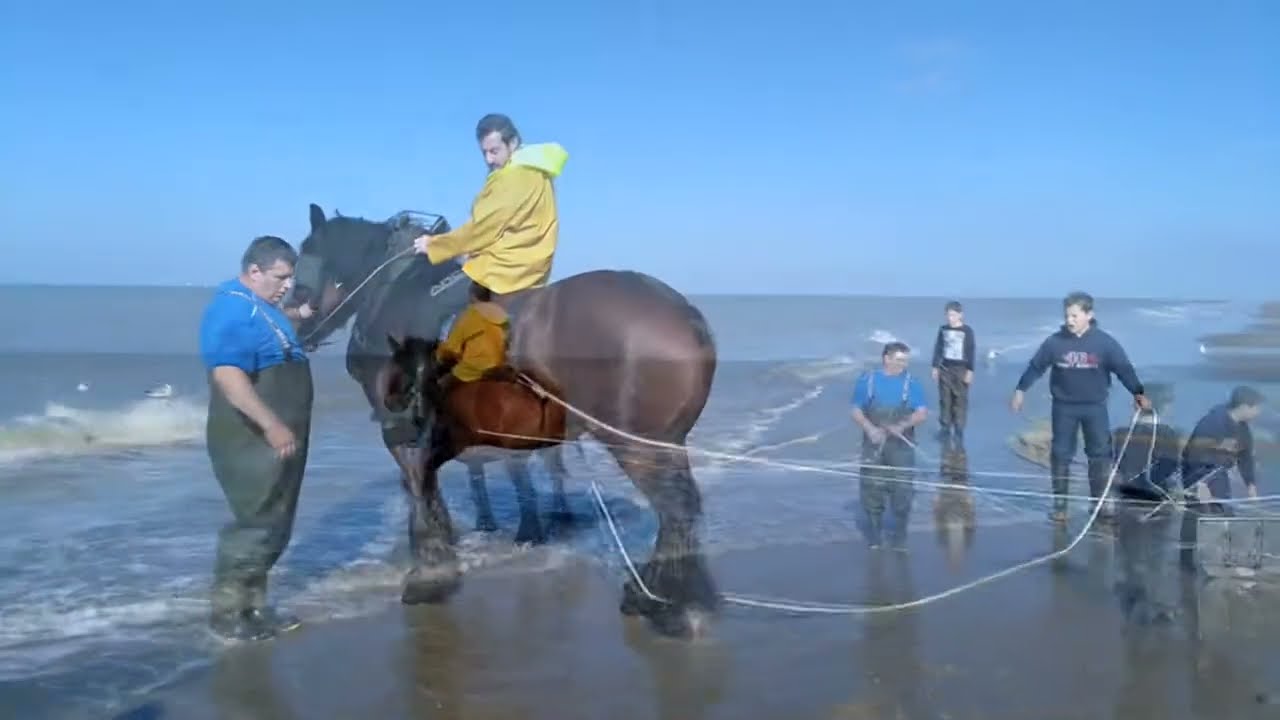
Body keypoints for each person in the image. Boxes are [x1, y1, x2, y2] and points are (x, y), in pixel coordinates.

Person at [198, 235, 313, 642]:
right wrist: (271, 424)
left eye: (290, 277)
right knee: (255, 521)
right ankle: (227, 615)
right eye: (280, 278)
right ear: (253, 272)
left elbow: (273, 334)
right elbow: (228, 375)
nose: (286, 285)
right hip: (250, 437)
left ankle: (255, 608)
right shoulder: (231, 310)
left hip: (280, 436)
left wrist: (299, 313)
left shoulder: (260, 307)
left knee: (276, 521)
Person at [1011, 291, 1150, 523]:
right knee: (1060, 455)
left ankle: (1099, 504)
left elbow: (1123, 369)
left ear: (1089, 315)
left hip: (1095, 407)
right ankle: (1060, 506)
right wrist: (1020, 390)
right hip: (1064, 407)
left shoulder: (1104, 343)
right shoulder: (1055, 342)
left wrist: (1138, 391)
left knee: (1099, 456)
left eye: (1075, 316)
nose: (1069, 320)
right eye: (1067, 315)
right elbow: (1036, 366)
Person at [413, 113, 569, 300]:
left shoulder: (511, 177)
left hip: (503, 270)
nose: (488, 159)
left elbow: (482, 229)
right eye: (484, 152)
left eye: (494, 151)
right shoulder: (538, 170)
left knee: (436, 304)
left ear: (512, 143)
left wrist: (433, 245)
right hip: (536, 269)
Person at [850, 342, 929, 549]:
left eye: (906, 360)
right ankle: (875, 535)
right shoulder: (867, 381)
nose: (904, 364)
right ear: (887, 358)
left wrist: (902, 426)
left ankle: (899, 535)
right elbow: (856, 410)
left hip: (901, 444)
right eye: (900, 360)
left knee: (902, 489)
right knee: (871, 487)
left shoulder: (912, 383)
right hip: (874, 443)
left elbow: (921, 413)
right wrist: (869, 428)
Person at [1110, 381, 1183, 500]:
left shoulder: (1120, 434)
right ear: (1161, 404)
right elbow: (1170, 471)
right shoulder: (1168, 435)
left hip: (1124, 499)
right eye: (1169, 401)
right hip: (1155, 502)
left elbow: (1111, 469)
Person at [435, 281, 510, 391]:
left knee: (440, 387)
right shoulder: (502, 312)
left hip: (474, 369)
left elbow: (452, 349)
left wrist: (440, 355)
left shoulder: (470, 316)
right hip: (501, 365)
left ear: (472, 296)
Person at [930, 300, 976, 448]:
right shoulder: (943, 329)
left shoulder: (967, 331)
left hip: (961, 369)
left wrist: (970, 370)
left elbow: (971, 351)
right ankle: (945, 427)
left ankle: (959, 429)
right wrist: (935, 367)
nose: (950, 318)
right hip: (945, 368)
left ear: (960, 315)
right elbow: (938, 348)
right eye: (948, 315)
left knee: (960, 400)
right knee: (945, 399)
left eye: (953, 315)